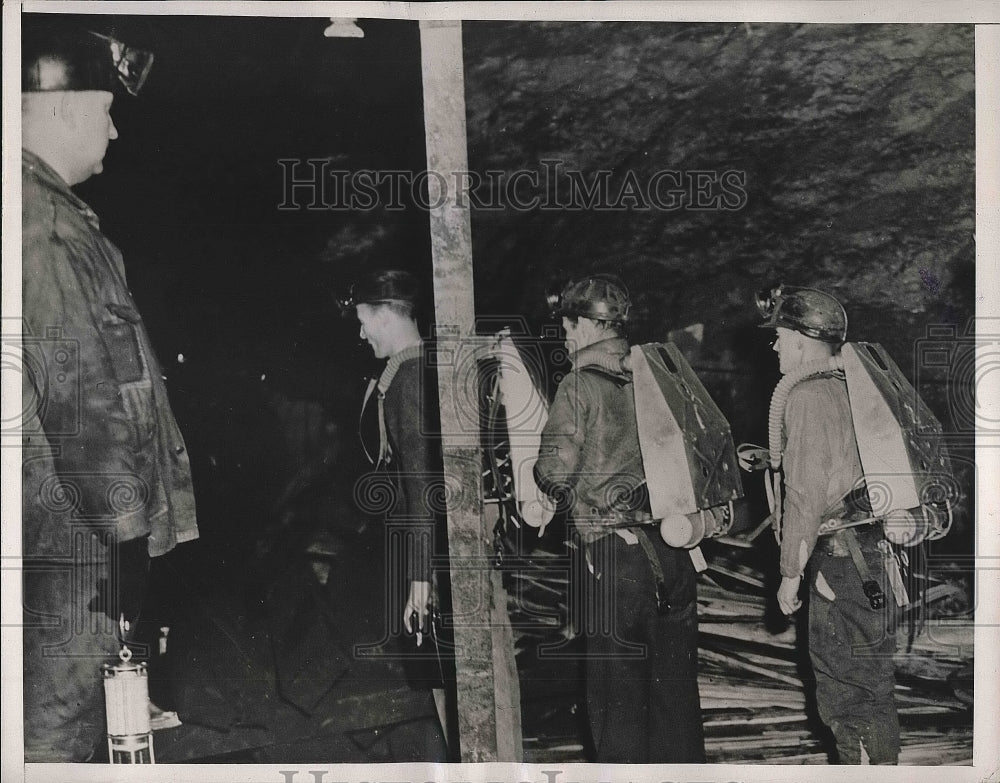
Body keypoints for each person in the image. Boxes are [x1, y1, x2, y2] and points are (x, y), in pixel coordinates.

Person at [21, 18, 198, 761]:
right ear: (62, 107)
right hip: (74, 537)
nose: (116, 133)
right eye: (105, 110)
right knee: (62, 725)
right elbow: (83, 393)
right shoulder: (50, 227)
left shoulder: (39, 211)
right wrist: (129, 543)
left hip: (55, 521)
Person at [533, 274, 705, 763]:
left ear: (587, 325)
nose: (565, 336)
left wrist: (534, 469)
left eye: (568, 326)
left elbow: (557, 473)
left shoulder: (579, 383)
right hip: (676, 552)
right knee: (676, 704)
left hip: (615, 561)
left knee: (617, 708)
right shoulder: (661, 375)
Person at [758, 284, 899, 764]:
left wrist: (790, 573)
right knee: (872, 690)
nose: (775, 346)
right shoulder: (850, 387)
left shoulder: (808, 395)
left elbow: (806, 494)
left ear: (800, 340)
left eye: (779, 336)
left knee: (847, 698)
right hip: (869, 555)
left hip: (838, 563)